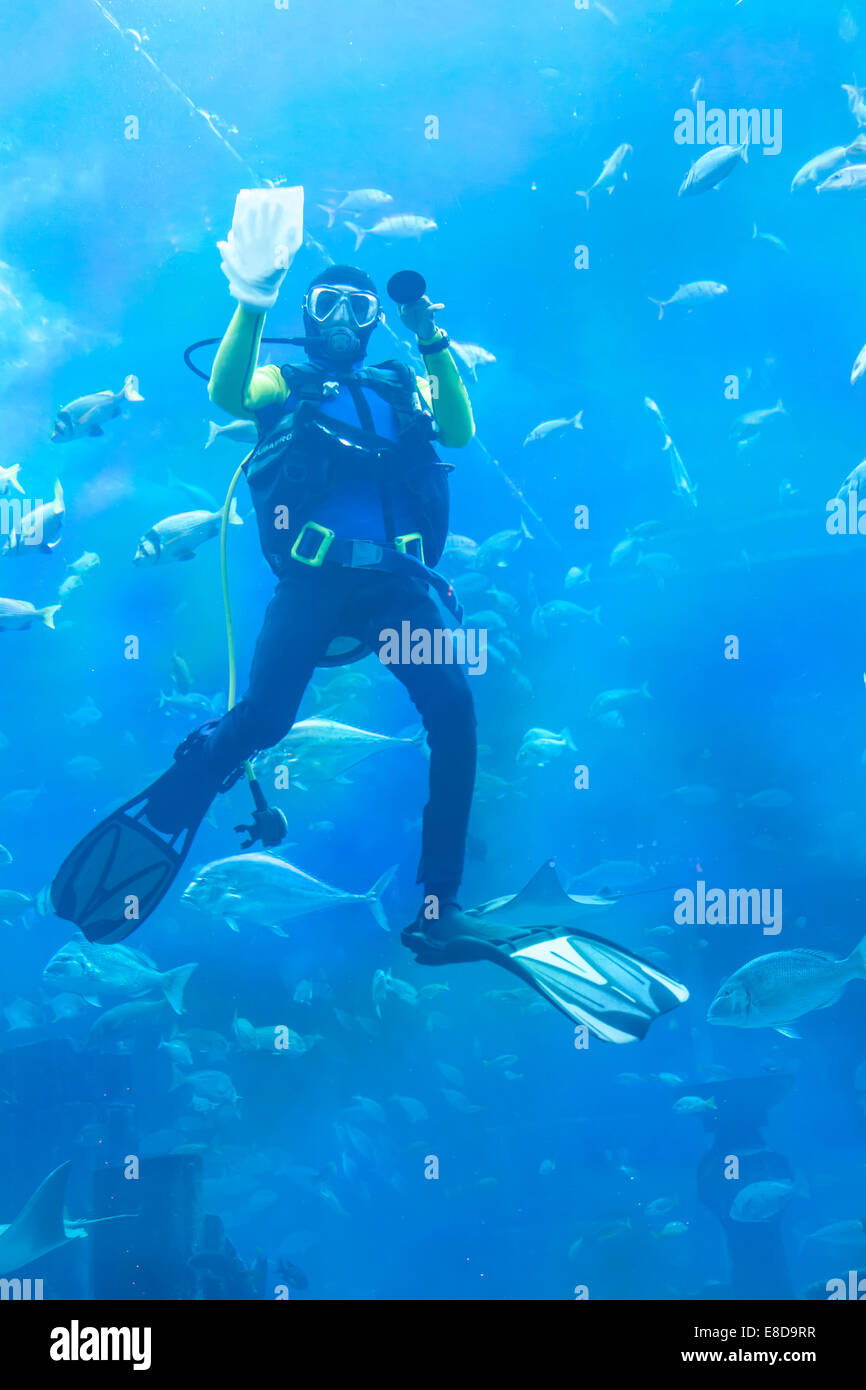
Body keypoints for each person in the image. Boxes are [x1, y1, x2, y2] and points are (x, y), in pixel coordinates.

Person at [142, 211, 478, 929]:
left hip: (397, 587)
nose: (343, 319)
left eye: (360, 308)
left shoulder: (397, 384)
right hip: (314, 581)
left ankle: (437, 899)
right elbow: (228, 395)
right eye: (327, 305)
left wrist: (427, 335)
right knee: (265, 720)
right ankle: (199, 768)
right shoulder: (283, 380)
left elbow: (459, 431)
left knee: (455, 712)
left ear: (372, 322)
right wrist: (251, 299)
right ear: (306, 313)